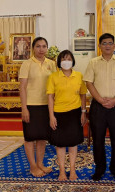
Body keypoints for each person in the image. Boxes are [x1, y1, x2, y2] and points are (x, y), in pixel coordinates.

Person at [83, 33, 115, 181]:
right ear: (100, 46)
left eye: (110, 43)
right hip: (98, 106)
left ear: (114, 45)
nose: (108, 46)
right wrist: (99, 99)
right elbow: (89, 83)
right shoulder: (93, 62)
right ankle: (100, 168)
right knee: (98, 140)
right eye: (104, 43)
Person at [47, 50, 87, 181]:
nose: (66, 61)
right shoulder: (53, 77)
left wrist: (83, 112)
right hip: (59, 113)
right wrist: (51, 116)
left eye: (69, 59)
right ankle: (62, 172)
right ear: (59, 61)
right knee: (60, 144)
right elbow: (50, 98)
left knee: (73, 143)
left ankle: (73, 170)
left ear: (73, 61)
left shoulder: (79, 76)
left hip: (75, 113)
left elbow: (82, 95)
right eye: (64, 59)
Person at [19, 37, 56, 177]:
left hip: (47, 106)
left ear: (47, 48)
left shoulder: (52, 64)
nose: (41, 49)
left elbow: (54, 85)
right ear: (33, 48)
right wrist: (24, 108)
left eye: (44, 46)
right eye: (38, 46)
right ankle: (33, 166)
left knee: (42, 137)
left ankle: (40, 163)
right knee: (29, 137)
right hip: (31, 105)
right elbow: (22, 88)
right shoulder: (27, 64)